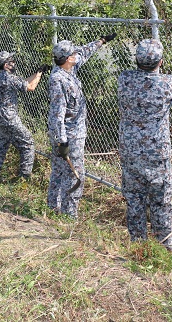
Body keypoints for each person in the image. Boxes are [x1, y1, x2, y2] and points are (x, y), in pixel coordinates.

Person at [117, 38, 172, 250]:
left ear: (137, 60)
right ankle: (165, 246)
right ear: (161, 61)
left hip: (129, 149)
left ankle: (137, 244)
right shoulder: (168, 84)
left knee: (134, 198)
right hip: (156, 153)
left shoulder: (125, 78)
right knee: (160, 200)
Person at [47, 33, 116, 218]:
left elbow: (84, 52)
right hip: (68, 135)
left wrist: (101, 41)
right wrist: (62, 141)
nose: (76, 54)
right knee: (73, 174)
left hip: (71, 133)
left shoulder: (69, 68)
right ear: (68, 58)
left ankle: (53, 208)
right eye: (73, 53)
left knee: (60, 170)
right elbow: (57, 112)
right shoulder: (58, 79)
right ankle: (69, 215)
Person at [0, 51, 48, 182]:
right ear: (5, 65)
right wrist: (41, 74)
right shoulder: (10, 78)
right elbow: (31, 87)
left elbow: (24, 82)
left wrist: (37, 72)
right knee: (27, 143)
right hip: (9, 118)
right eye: (11, 61)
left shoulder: (2, 76)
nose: (14, 62)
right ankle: (24, 178)